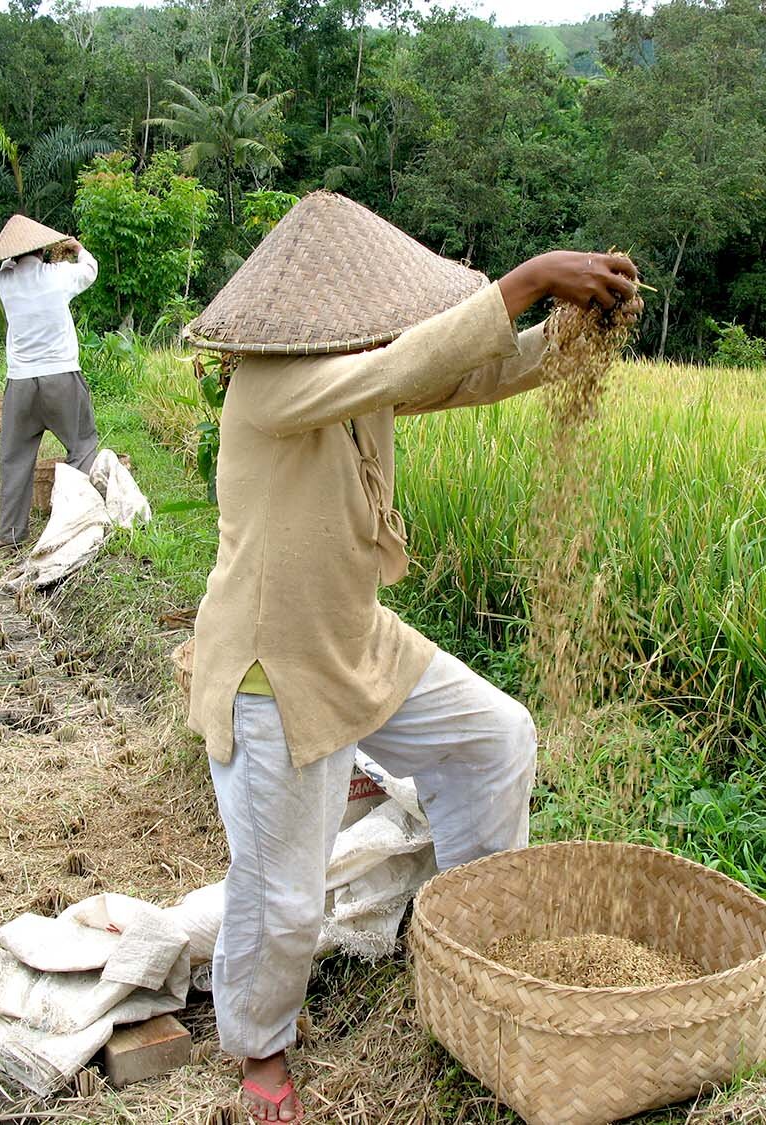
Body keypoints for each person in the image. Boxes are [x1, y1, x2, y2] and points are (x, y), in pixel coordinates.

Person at [180, 192, 642, 1124]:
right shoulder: (266, 384)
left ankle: (468, 938)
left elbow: (454, 373)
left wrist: (570, 335)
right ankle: (258, 1045)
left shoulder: (354, 372)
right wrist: (528, 280)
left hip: (357, 636)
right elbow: (407, 359)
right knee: (285, 905)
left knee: (497, 736)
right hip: (277, 667)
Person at [0, 214, 101, 549]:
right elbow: (90, 269)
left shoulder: (4, 282)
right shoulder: (59, 275)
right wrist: (77, 248)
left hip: (20, 383)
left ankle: (11, 537)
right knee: (82, 445)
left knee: (15, 458)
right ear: (45, 251)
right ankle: (73, 527)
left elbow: (7, 265)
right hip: (61, 376)